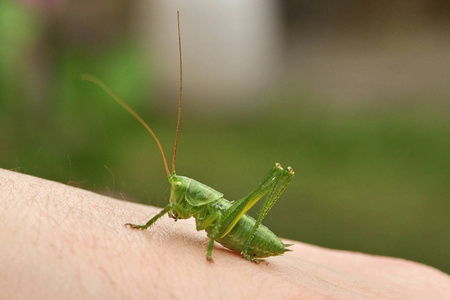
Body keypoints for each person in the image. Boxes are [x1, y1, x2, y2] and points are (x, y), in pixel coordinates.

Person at [1, 168, 448, 299]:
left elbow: (196, 218)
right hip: (229, 223)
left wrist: (214, 245)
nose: (174, 196)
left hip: (238, 230)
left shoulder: (205, 212)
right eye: (177, 191)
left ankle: (246, 240)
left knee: (265, 185)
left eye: (179, 191)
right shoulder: (181, 200)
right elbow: (172, 210)